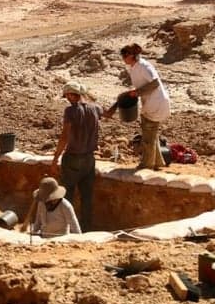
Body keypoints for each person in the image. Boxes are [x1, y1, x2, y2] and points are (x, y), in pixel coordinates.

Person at [107, 43, 170, 170]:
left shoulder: (143, 66)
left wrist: (137, 92)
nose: (123, 58)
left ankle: (147, 164)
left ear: (131, 55)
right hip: (151, 102)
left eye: (125, 56)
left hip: (156, 103)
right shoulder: (136, 67)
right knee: (151, 133)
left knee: (148, 136)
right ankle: (158, 161)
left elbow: (155, 83)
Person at [51, 81, 103, 232]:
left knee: (67, 195)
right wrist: (119, 102)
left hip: (73, 158)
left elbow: (65, 136)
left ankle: (65, 229)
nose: (67, 99)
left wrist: (55, 159)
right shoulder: (95, 108)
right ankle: (86, 228)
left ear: (72, 94)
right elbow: (108, 113)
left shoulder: (71, 111)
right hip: (89, 159)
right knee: (87, 197)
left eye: (67, 96)